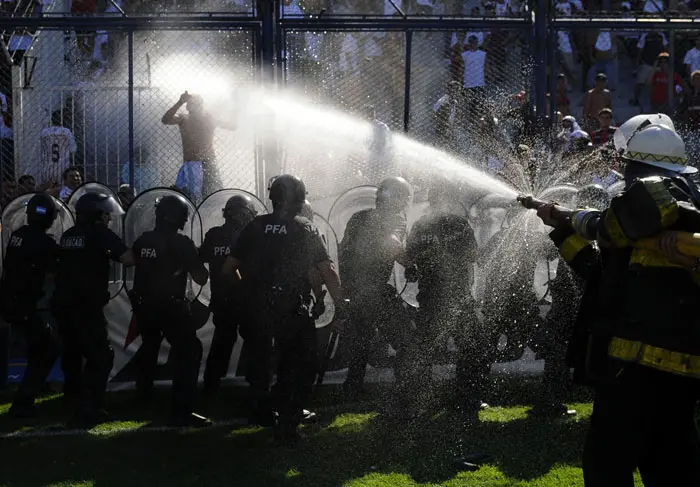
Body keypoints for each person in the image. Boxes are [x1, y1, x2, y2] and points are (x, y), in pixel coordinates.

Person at [522, 115, 700, 485]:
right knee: (669, 465)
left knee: (608, 466)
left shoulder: (655, 193)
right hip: (674, 370)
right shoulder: (661, 218)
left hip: (635, 367)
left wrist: (573, 217)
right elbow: (601, 273)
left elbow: (610, 226)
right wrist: (561, 229)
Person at [221, 174, 347, 442]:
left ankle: (262, 412)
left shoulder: (255, 225)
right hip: (292, 308)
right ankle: (289, 422)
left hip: (257, 307)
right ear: (300, 198)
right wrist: (339, 303)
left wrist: (246, 289)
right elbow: (326, 270)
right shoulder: (306, 229)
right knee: (298, 363)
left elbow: (229, 268)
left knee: (261, 360)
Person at [403, 181, 486, 418]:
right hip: (458, 298)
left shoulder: (420, 226)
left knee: (426, 350)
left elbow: (410, 265)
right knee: (471, 346)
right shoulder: (459, 224)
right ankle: (466, 399)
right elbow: (474, 256)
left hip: (430, 298)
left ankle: (424, 400)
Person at [51, 192, 134, 424]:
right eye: (106, 213)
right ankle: (90, 409)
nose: (109, 218)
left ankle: (71, 397)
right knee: (100, 357)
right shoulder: (99, 233)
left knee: (73, 352)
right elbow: (128, 258)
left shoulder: (68, 235)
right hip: (85, 306)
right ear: (97, 214)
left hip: (63, 304)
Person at [130, 195, 211, 427]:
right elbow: (201, 278)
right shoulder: (182, 243)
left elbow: (133, 261)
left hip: (145, 305)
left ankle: (143, 396)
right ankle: (182, 410)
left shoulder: (143, 240)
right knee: (189, 352)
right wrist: (198, 258)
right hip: (171, 307)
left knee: (150, 346)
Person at [532, 184, 609, 417]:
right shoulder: (590, 227)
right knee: (559, 350)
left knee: (560, 350)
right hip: (574, 301)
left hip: (575, 301)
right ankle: (551, 402)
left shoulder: (585, 226)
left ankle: (552, 401)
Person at [340, 176, 412, 398]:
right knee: (406, 340)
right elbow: (392, 245)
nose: (404, 203)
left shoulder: (357, 217)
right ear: (397, 198)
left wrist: (347, 286)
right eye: (403, 198)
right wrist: (411, 264)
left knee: (361, 340)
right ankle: (404, 390)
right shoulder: (395, 220)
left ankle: (352, 387)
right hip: (377, 291)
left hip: (356, 288)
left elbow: (344, 252)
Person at [0, 194, 59, 417]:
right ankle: (23, 402)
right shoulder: (45, 243)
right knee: (48, 349)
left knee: (39, 347)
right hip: (25, 305)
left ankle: (35, 386)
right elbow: (55, 273)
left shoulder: (18, 235)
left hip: (11, 301)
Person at [200, 195, 258, 394]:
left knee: (223, 340)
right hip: (247, 299)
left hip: (221, 299)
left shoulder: (213, 235)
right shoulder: (250, 236)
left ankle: (211, 382)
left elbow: (203, 256)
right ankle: (256, 382)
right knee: (254, 340)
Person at [161, 92, 236, 203]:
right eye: (188, 103)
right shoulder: (184, 118)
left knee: (211, 198)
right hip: (192, 164)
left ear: (198, 104)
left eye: (191, 102)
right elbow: (165, 120)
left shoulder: (209, 118)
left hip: (207, 163)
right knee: (190, 199)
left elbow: (232, 126)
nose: (188, 105)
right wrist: (180, 102)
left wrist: (236, 107)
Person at [40, 114, 77, 188]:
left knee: (48, 188)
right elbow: (73, 149)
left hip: (47, 167)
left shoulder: (44, 132)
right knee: (62, 188)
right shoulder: (66, 132)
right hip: (62, 167)